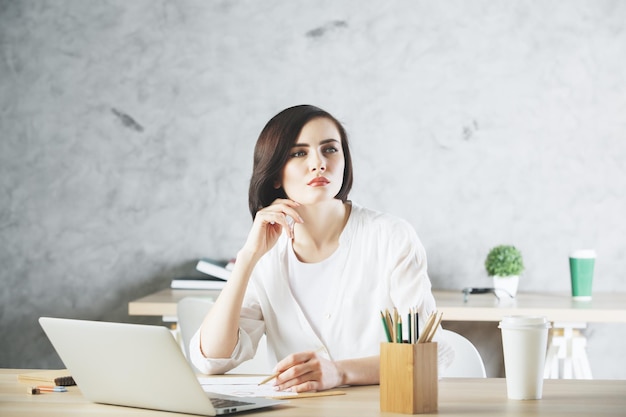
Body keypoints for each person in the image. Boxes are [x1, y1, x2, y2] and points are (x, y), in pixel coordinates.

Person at [190, 104, 451, 392]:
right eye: (299, 153)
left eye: (330, 149)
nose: (319, 163)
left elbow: (432, 353)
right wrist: (248, 257)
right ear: (275, 173)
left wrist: (339, 372)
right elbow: (212, 360)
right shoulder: (266, 257)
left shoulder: (390, 237)